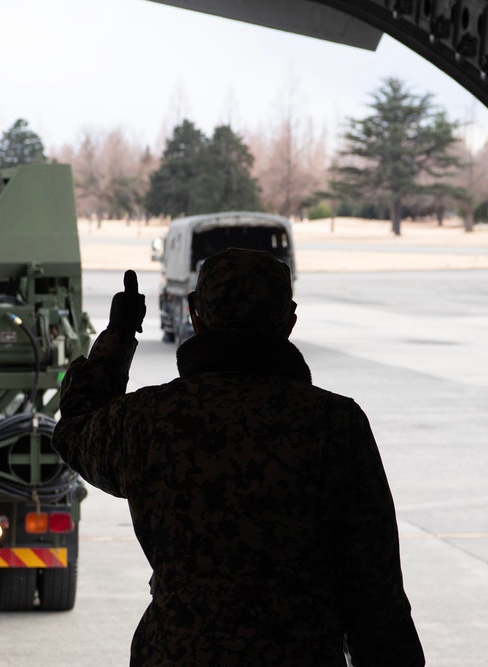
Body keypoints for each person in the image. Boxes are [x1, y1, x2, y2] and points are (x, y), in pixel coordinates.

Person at [52, 249, 425, 666]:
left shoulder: (147, 421)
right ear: (289, 322)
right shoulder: (335, 425)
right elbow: (375, 592)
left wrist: (120, 333)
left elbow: (76, 428)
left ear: (195, 316)